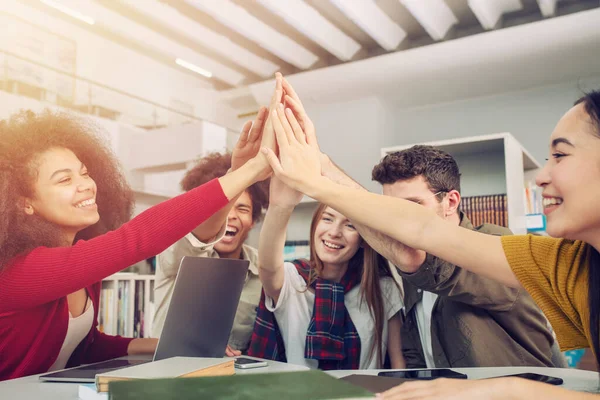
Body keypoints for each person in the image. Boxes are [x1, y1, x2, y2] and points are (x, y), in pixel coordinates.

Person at [263, 83, 600, 398]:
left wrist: (320, 180)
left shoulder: (495, 241)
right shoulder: (567, 263)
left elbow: (419, 246)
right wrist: (320, 166)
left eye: (560, 156)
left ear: (450, 201)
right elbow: (417, 243)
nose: (542, 177)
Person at [0, 108, 271, 381]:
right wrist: (246, 173)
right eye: (65, 179)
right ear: (25, 203)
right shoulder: (22, 271)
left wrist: (165, 346)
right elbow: (136, 239)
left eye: (84, 173)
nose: (86, 185)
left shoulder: (79, 265)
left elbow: (86, 347)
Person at [247, 173, 405, 370]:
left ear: (364, 239)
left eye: (350, 225)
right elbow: (267, 265)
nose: (334, 232)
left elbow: (399, 364)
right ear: (315, 225)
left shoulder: (383, 289)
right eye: (328, 219)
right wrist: (280, 205)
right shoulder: (291, 279)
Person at [153, 149, 269, 355]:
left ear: (252, 221)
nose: (230, 216)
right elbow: (197, 237)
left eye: (242, 209)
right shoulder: (178, 252)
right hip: (171, 371)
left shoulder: (263, 269)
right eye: (222, 207)